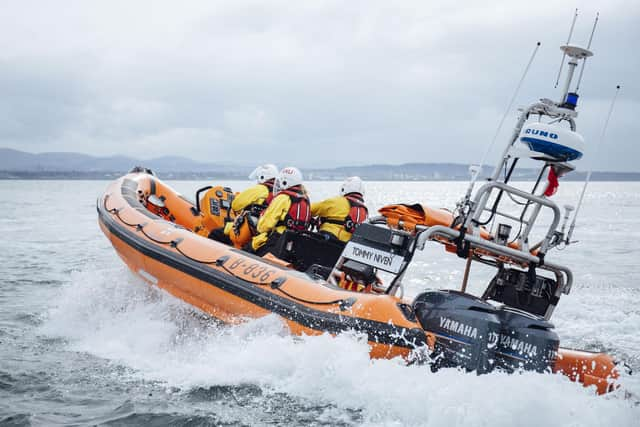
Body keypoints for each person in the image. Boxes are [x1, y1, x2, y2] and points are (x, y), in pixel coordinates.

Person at [208, 164, 278, 244]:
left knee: (215, 233)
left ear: (262, 177)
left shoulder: (260, 189)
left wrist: (237, 196)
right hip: (261, 230)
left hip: (248, 229)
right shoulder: (276, 193)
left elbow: (235, 205)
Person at [250, 166, 311, 255]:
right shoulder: (305, 199)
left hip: (277, 240)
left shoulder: (282, 198)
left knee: (249, 247)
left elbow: (264, 226)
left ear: (285, 182)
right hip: (296, 242)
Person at [311, 176, 368, 242]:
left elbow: (310, 209)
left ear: (344, 188)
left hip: (330, 239)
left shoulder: (335, 201)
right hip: (346, 245)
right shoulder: (364, 210)